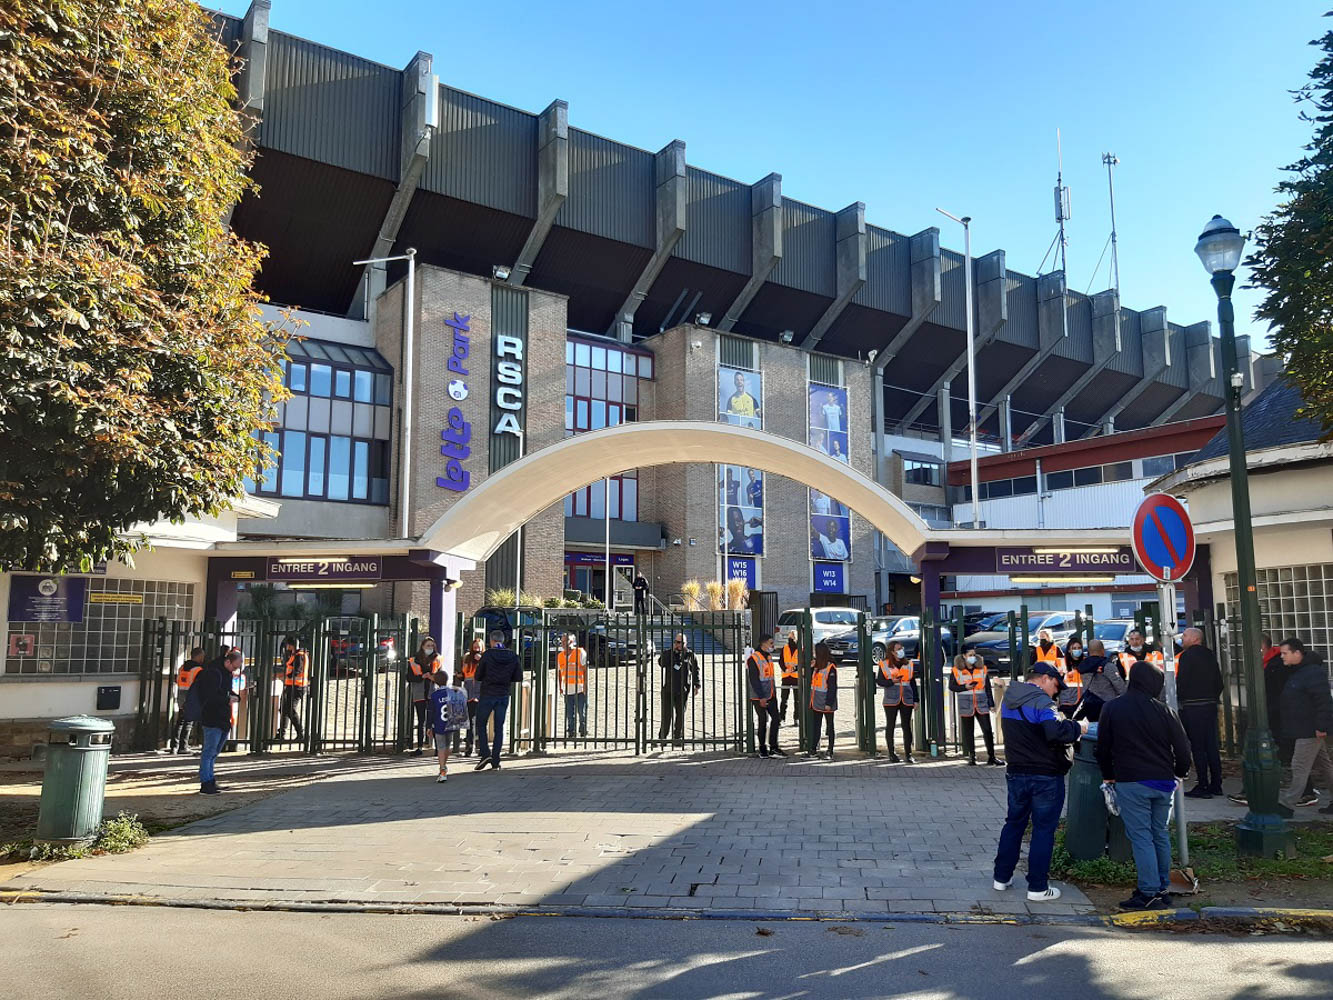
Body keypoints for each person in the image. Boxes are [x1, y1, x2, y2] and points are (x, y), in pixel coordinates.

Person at [1095, 661, 1192, 909]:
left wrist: (1108, 775)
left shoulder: (1113, 708)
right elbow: (1183, 749)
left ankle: (1148, 892)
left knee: (1141, 837)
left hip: (1131, 780)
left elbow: (1103, 748)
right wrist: (1178, 774)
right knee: (1159, 834)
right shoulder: (1165, 711)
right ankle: (1162, 887)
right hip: (1163, 782)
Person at [992, 662, 1086, 902]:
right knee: (1043, 830)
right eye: (1056, 685)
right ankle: (1037, 887)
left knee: (1013, 824)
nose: (1056, 692)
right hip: (1045, 776)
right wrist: (1078, 727)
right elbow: (1054, 732)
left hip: (1016, 773)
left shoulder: (1010, 698)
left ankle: (1001, 878)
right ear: (1045, 678)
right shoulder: (1042, 702)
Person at [1275, 637, 1333, 816]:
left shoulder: (1312, 673)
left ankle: (1286, 804)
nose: (1282, 657)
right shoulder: (1299, 672)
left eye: (1285, 653)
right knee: (1324, 765)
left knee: (1299, 765)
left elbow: (1324, 701)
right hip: (1305, 727)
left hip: (1309, 728)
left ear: (1297, 653)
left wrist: (1321, 725)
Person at [1176, 627, 1225, 798]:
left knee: (1198, 746)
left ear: (1195, 639)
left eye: (1185, 636)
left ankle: (1202, 784)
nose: (1182, 638)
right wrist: (1212, 696)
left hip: (1193, 706)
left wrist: (1181, 698)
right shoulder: (1210, 655)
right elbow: (1219, 682)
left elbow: (1182, 681)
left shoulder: (1187, 657)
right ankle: (1216, 783)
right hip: (1209, 705)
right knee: (1211, 745)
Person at [473, 630, 522, 771]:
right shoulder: (513, 655)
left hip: (488, 693)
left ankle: (485, 753)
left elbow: (478, 675)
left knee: (481, 724)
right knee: (499, 728)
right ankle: (496, 760)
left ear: (491, 640)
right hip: (503, 694)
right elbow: (518, 676)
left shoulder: (487, 655)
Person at [195, 649, 243, 795]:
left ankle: (210, 780)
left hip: (222, 717)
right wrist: (228, 699)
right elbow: (210, 696)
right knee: (209, 752)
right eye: (234, 667)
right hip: (213, 717)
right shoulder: (213, 673)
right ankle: (206, 783)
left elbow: (225, 691)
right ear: (228, 662)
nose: (234, 670)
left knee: (213, 752)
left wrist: (234, 697)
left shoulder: (224, 673)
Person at [951, 650, 1000, 766]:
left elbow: (987, 687)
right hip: (966, 704)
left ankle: (991, 756)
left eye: (974, 655)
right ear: (964, 656)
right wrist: (964, 687)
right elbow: (952, 686)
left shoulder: (982, 669)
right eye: (970, 655)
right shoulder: (956, 670)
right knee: (969, 731)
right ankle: (972, 757)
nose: (973, 657)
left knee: (987, 730)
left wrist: (991, 703)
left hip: (981, 703)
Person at [658, 633, 700, 746]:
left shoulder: (690, 655)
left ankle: (677, 737)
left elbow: (695, 670)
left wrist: (697, 685)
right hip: (668, 689)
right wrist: (672, 652)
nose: (678, 645)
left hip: (683, 689)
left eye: (681, 643)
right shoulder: (668, 653)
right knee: (667, 714)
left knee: (680, 714)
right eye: (676, 642)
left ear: (686, 643)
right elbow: (661, 663)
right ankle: (663, 738)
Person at [876, 641, 915, 763]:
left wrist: (916, 699)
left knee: (906, 726)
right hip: (891, 699)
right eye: (898, 649)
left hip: (906, 698)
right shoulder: (884, 664)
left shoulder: (908, 664)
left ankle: (908, 754)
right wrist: (892, 681)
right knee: (890, 725)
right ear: (892, 652)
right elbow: (880, 681)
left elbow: (912, 682)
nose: (901, 650)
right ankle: (892, 753)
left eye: (901, 648)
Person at [747, 632, 784, 758]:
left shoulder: (768, 656)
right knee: (763, 720)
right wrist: (761, 696)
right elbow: (754, 679)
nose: (772, 645)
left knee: (776, 719)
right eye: (771, 643)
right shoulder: (754, 658)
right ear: (763, 643)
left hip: (771, 693)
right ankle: (762, 748)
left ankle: (774, 746)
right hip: (759, 696)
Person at [428, 669, 468, 783]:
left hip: (439, 724)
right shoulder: (453, 693)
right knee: (447, 746)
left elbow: (430, 712)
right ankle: (444, 765)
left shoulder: (435, 695)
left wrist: (428, 726)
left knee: (440, 747)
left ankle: (442, 769)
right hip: (450, 723)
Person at [1074, 640, 1126, 722]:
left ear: (1089, 651)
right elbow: (1120, 687)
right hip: (1108, 706)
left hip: (1089, 705)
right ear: (1103, 650)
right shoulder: (1107, 666)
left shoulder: (1082, 666)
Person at [406, 637, 439, 755]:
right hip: (419, 692)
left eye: (431, 646)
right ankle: (419, 747)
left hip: (432, 692)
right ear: (422, 647)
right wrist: (422, 677)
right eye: (427, 646)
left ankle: (436, 746)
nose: (429, 648)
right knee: (421, 720)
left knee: (434, 720)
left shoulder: (437, 659)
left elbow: (442, 676)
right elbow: (409, 677)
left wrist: (433, 677)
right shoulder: (414, 660)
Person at [171, 647, 206, 754]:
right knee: (188, 722)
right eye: (202, 656)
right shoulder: (198, 670)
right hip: (191, 697)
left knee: (180, 721)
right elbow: (200, 685)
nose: (203, 658)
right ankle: (183, 746)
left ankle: (174, 746)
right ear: (199, 656)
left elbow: (177, 680)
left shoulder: (182, 667)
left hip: (181, 696)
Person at [276, 636, 308, 744]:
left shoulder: (299, 656)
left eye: (287, 645)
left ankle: (301, 733)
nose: (286, 647)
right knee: (284, 709)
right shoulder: (297, 655)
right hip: (291, 686)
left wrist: (285, 676)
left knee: (290, 710)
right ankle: (281, 733)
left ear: (291, 645)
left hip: (297, 686)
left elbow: (297, 671)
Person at [809, 641, 838, 758]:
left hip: (826, 701)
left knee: (829, 725)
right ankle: (813, 748)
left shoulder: (830, 667)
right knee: (816, 725)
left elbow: (832, 687)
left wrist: (829, 703)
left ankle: (830, 749)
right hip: (816, 700)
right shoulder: (816, 666)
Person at [558, 633, 588, 738]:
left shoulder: (580, 652)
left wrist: (585, 685)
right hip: (567, 688)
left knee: (581, 711)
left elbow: (585, 669)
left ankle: (583, 729)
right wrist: (560, 686)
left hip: (579, 687)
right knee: (569, 713)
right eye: (562, 641)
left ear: (572, 641)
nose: (564, 643)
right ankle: (571, 731)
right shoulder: (560, 656)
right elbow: (559, 672)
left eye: (566, 641)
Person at [456, 638, 482, 756]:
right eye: (475, 646)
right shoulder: (467, 658)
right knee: (470, 720)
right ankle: (469, 746)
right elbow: (464, 674)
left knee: (480, 721)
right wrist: (460, 675)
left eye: (478, 646)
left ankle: (480, 746)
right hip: (468, 691)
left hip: (479, 691)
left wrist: (481, 661)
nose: (476, 649)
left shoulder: (484, 658)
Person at [777, 631, 801, 723]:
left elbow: (802, 661)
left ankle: (797, 718)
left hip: (796, 676)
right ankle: (782, 718)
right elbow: (781, 661)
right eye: (790, 637)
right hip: (786, 676)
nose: (791, 639)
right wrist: (785, 669)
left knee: (797, 700)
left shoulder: (800, 648)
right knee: (784, 699)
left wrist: (795, 669)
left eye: (793, 637)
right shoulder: (785, 648)